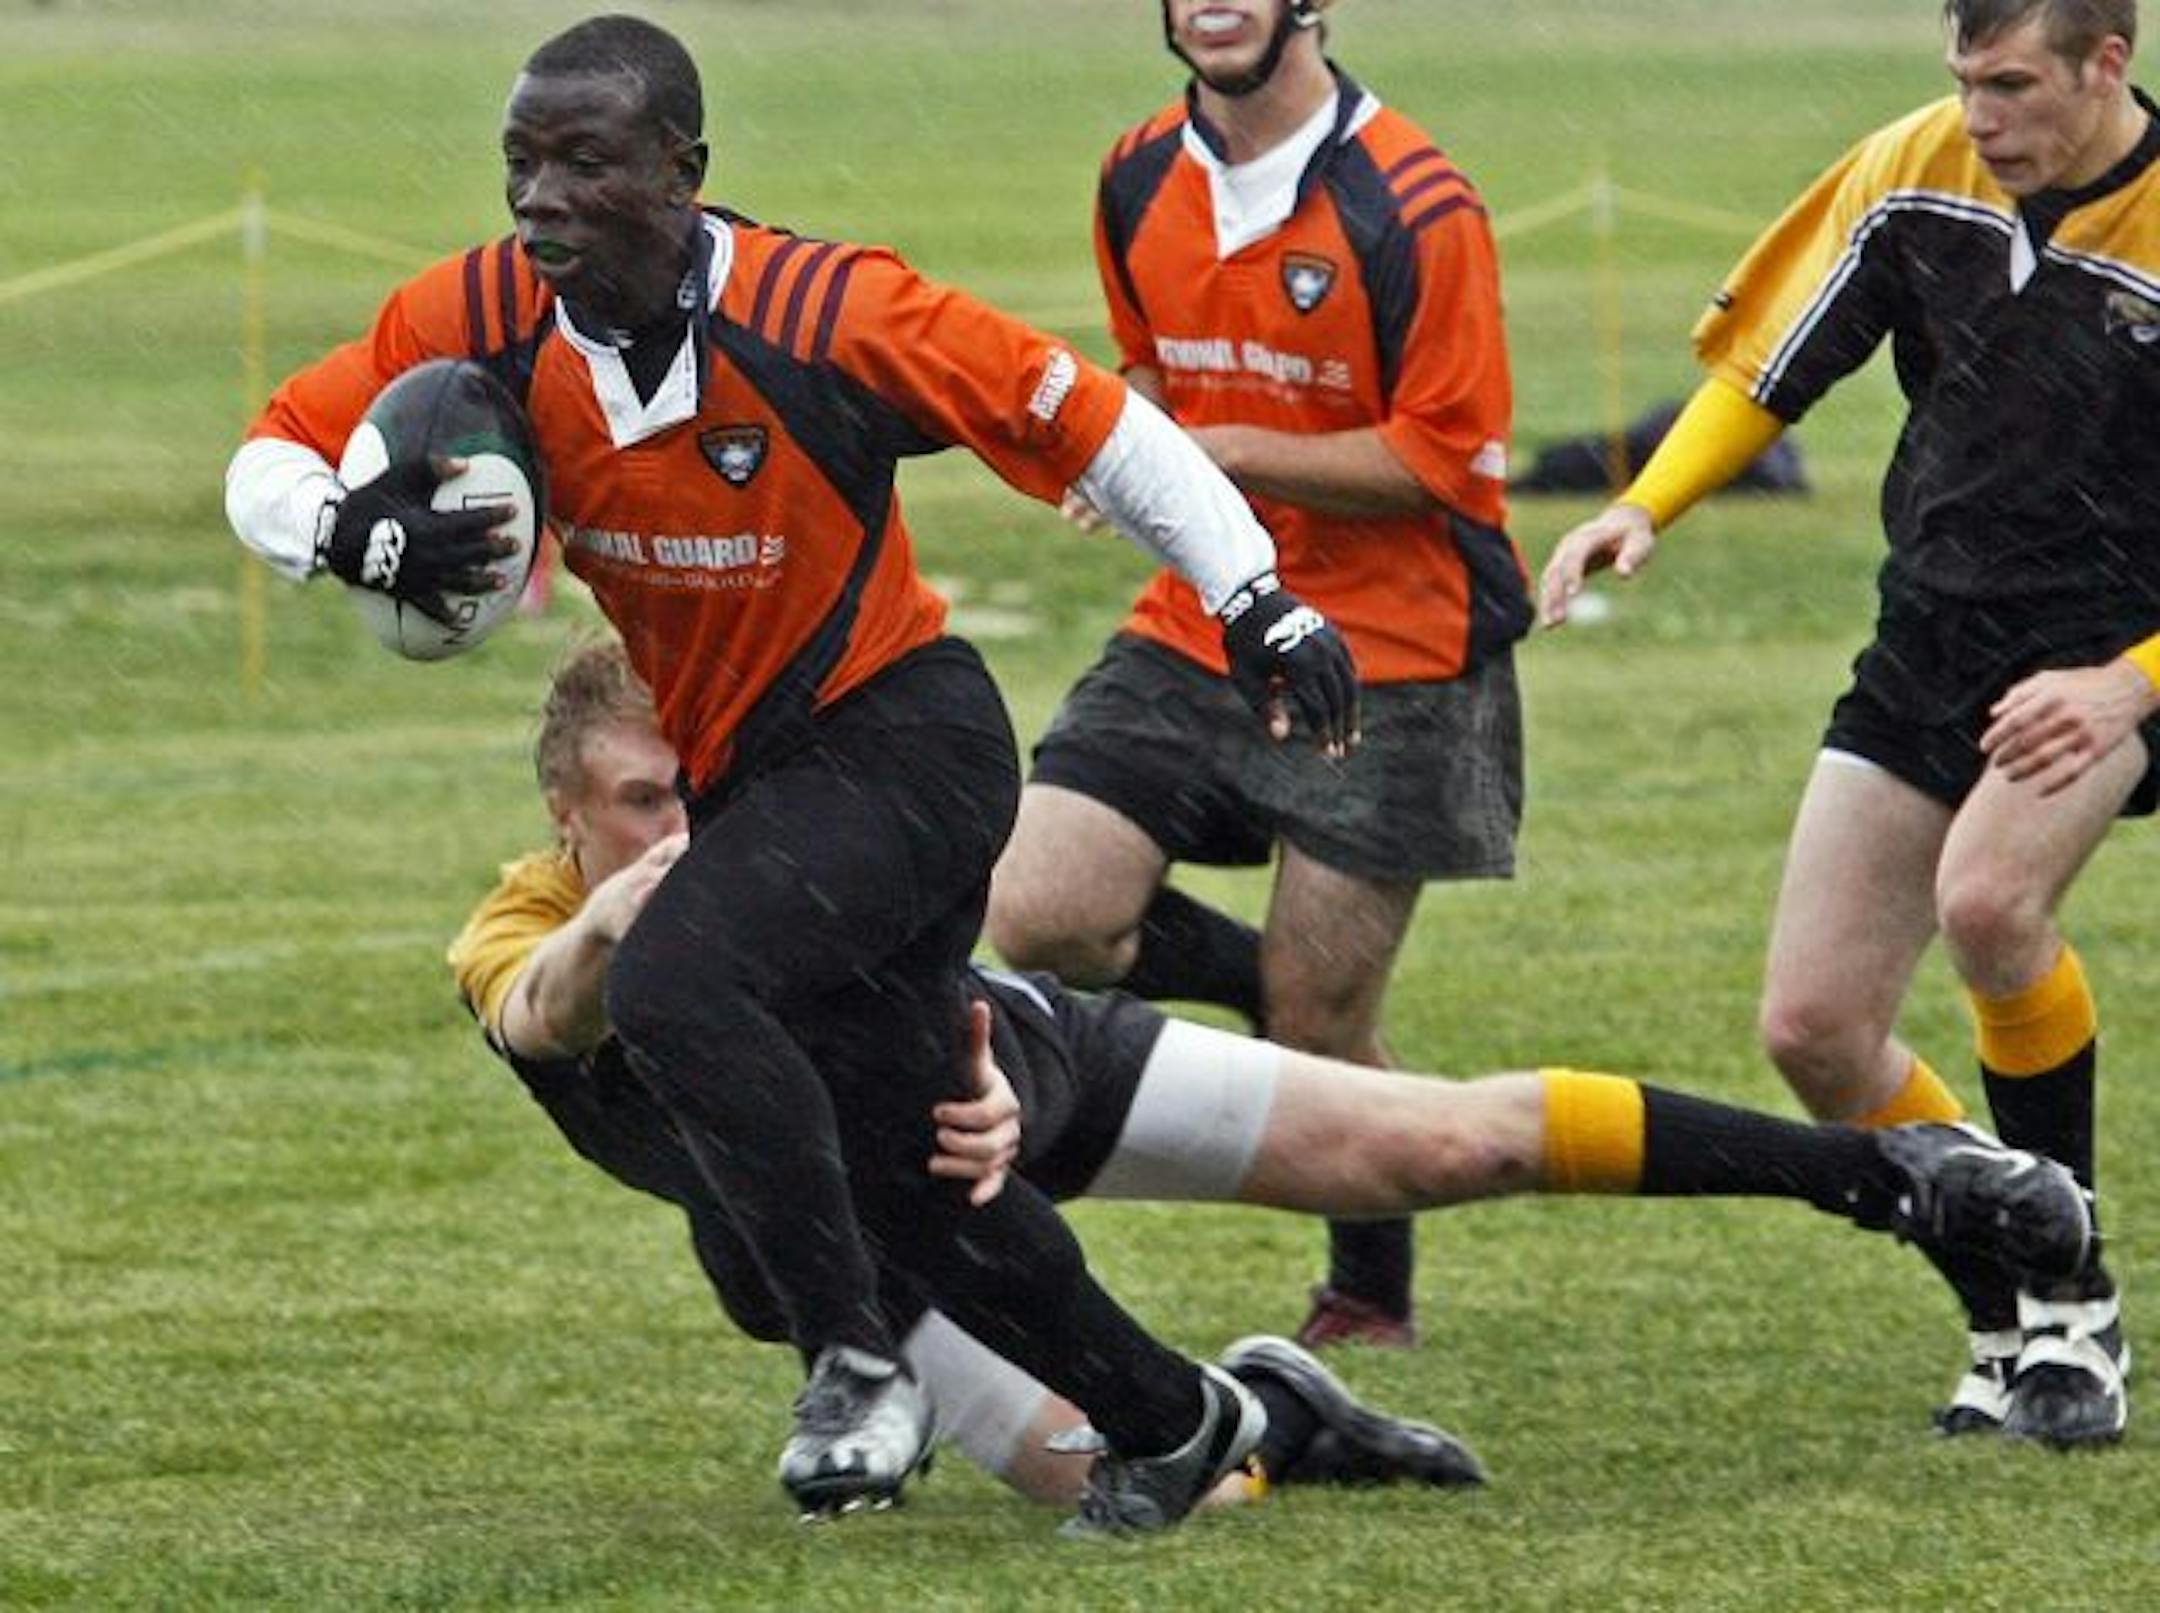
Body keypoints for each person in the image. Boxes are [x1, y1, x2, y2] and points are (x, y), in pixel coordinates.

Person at [224, 13, 1361, 1536]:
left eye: (584, 163)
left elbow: (1100, 429)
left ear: (684, 172)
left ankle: (853, 1360)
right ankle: (1177, 1417)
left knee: (681, 985)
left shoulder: (830, 310)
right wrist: (345, 529)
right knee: (914, 1178)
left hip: (908, 738)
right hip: (763, 777)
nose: (539, 200)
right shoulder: (487, 313)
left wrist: (1256, 598)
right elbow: (270, 452)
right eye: (519, 163)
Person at [446, 637, 2095, 1503]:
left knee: (1446, 1143)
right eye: (650, 800)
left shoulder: (799, 855)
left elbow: (946, 986)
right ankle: (1281, 1407)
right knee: (1127, 1483)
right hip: (893, 1258)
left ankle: (1904, 1174)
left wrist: (988, 1079)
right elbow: (536, 1011)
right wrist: (616, 928)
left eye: (709, 788)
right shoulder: (528, 924)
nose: (690, 828)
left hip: (1014, 1083)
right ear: (567, 814)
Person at [1537, 0, 2155, 1448]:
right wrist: (1643, 504)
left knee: (1992, 902)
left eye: (2012, 84)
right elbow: (1767, 369)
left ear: (2107, 63)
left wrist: (2128, 681)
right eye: (1965, 79)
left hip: (2112, 654)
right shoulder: (1916, 169)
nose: (1982, 113)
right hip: (1934, 635)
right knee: (1814, 1024)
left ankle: (2077, 1306)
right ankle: (2004, 1295)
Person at [986, 0, 1527, 1352]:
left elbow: (1441, 465)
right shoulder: (1133, 175)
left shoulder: (1416, 203)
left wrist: (1211, 447)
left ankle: (1371, 1291)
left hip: (1397, 648)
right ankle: (1268, 990)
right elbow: (1150, 380)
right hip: (1203, 615)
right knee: (1035, 907)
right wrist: (1125, 450)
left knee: (1327, 1018)